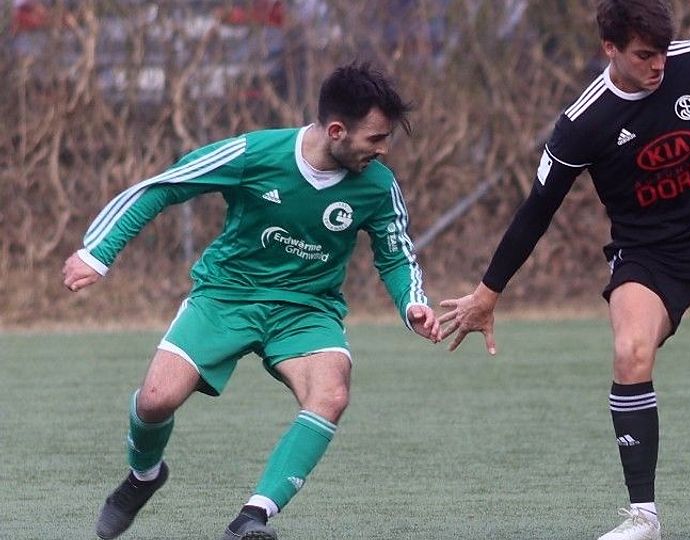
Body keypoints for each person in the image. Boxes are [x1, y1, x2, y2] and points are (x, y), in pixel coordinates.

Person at [438, 2, 690, 539]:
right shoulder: (584, 122)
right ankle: (643, 517)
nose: (658, 65)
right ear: (610, 48)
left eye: (662, 52)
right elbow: (536, 211)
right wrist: (488, 293)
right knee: (631, 352)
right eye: (644, 55)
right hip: (651, 256)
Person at [62, 62, 441, 540]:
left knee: (331, 394)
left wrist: (412, 304)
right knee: (156, 400)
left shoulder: (379, 185)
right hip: (227, 295)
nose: (384, 149)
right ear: (337, 131)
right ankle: (143, 477)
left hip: (307, 308)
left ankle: (252, 517)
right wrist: (98, 253)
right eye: (376, 138)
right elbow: (164, 186)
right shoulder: (255, 153)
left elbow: (396, 255)